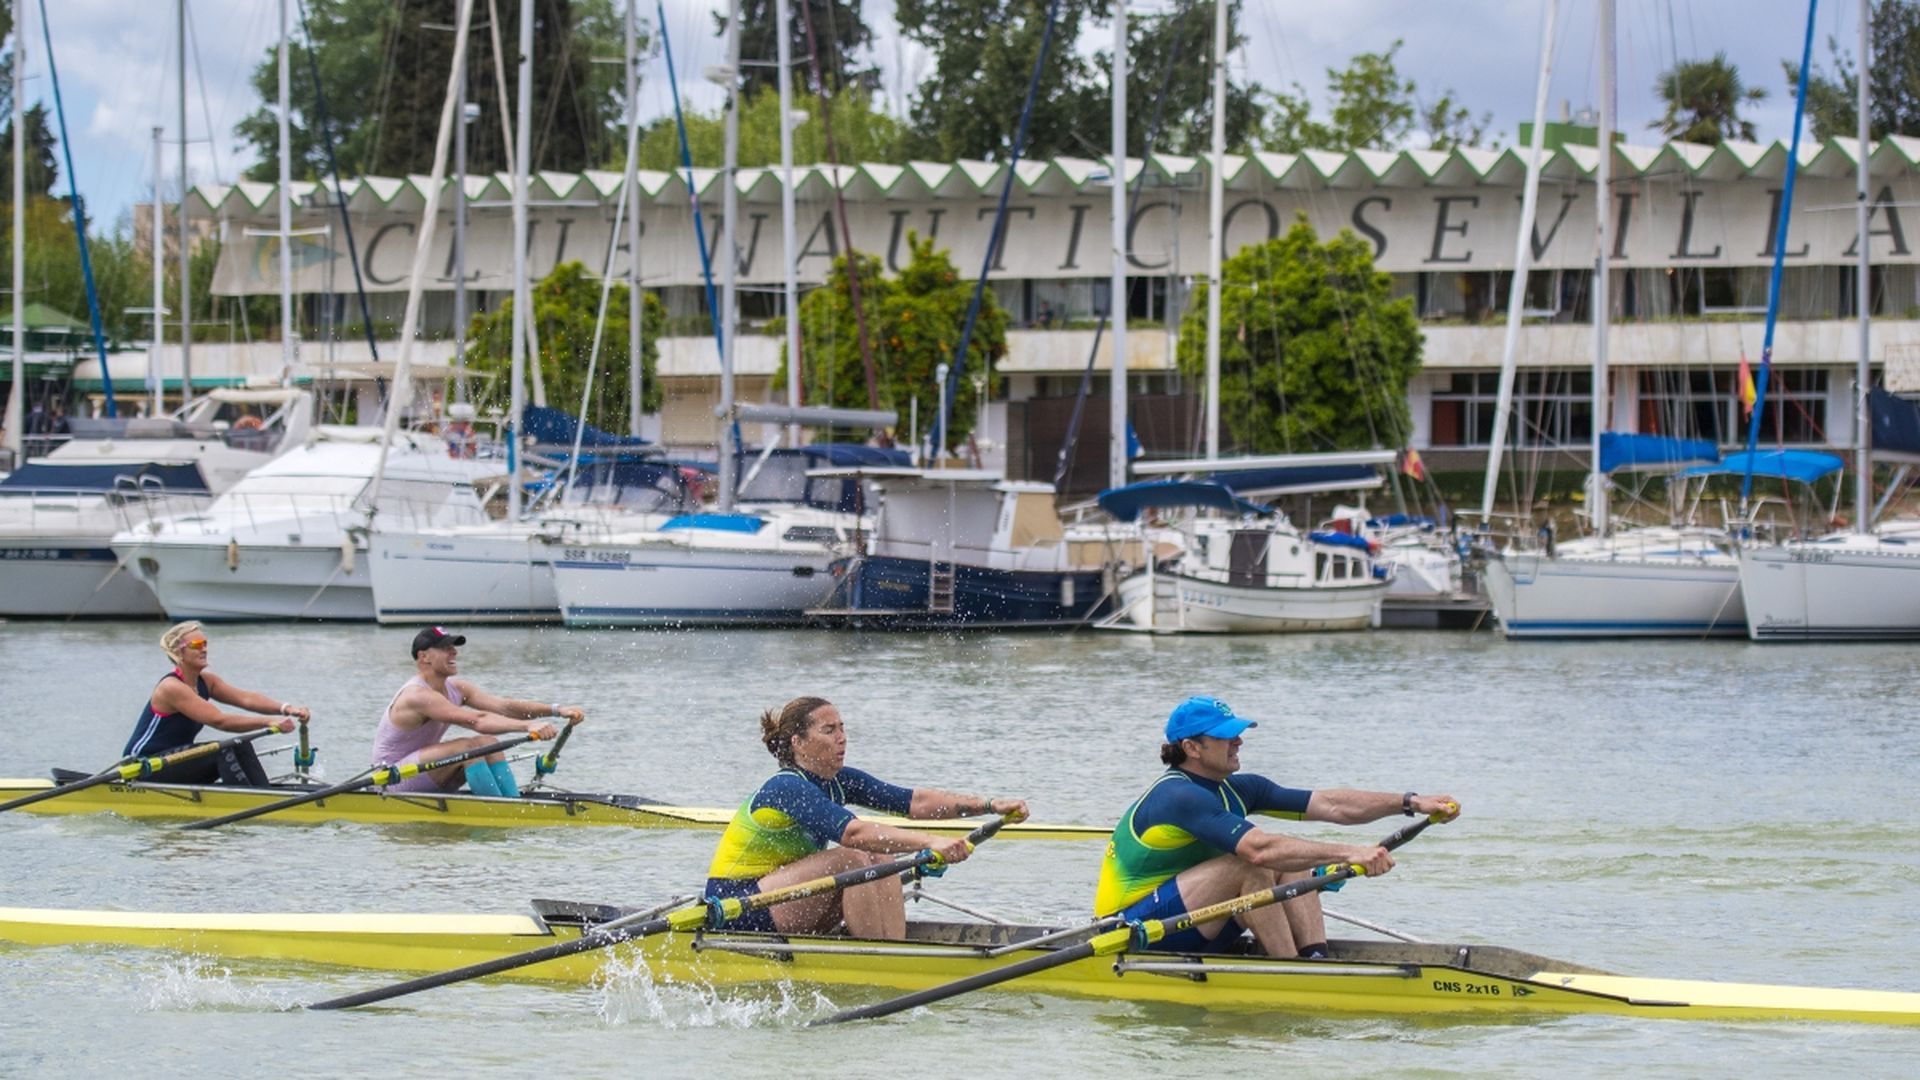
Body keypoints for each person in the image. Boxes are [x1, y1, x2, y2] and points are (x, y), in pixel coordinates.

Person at [1094, 696, 1462, 959]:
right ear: (1191, 747)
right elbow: (1259, 850)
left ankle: (1315, 958)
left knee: (1290, 858)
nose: (1238, 741)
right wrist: (1351, 853)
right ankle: (1291, 971)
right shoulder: (1177, 795)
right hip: (1133, 931)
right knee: (1253, 862)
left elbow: (1332, 805)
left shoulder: (1240, 789)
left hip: (1194, 922)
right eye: (1225, 735)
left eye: (1237, 732)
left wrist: (1411, 802)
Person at [705, 696, 1029, 940]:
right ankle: (879, 959)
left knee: (880, 854)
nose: (842, 737)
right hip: (735, 907)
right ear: (798, 743)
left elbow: (915, 802)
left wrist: (989, 804)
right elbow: (854, 833)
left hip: (784, 900)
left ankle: (893, 948)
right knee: (851, 856)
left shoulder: (839, 781)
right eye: (829, 730)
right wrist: (931, 842)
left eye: (842, 728)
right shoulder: (786, 787)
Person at [371, 627, 585, 797]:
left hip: (425, 771)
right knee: (467, 747)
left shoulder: (457, 688)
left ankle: (512, 802)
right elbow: (477, 720)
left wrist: (556, 710)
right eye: (445, 648)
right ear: (424, 656)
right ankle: (502, 811)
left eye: (453, 647)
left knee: (488, 743)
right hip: (392, 779)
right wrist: (528, 726)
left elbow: (504, 707)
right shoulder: (417, 695)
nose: (454, 652)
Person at [123, 622, 308, 786]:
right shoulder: (171, 687)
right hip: (144, 766)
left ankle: (262, 794)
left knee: (240, 744)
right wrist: (268, 722)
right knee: (225, 749)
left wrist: (287, 709)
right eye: (197, 645)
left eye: (205, 644)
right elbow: (220, 721)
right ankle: (247, 801)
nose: (204, 649)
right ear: (179, 652)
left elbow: (246, 698)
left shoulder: (206, 681)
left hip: (174, 761)